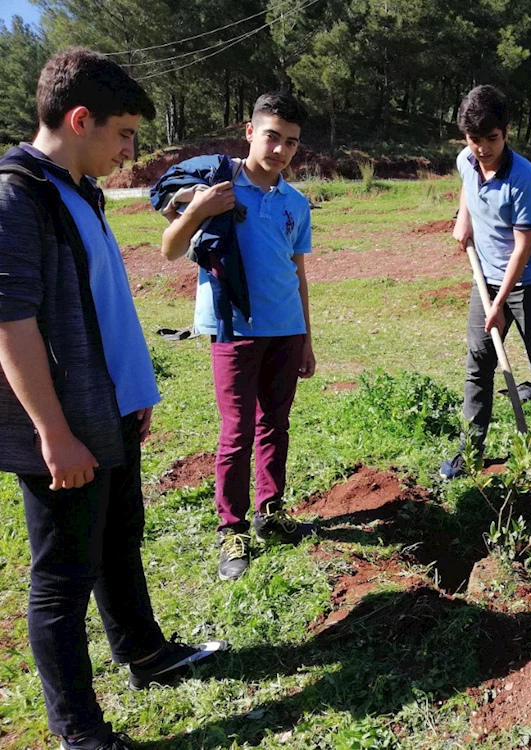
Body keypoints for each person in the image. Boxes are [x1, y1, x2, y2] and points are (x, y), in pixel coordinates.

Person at [0, 48, 227, 750]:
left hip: (110, 411)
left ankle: (145, 653)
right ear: (79, 118)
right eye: (123, 133)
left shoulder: (78, 188)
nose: (131, 149)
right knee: (61, 579)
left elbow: (100, 304)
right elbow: (11, 323)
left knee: (119, 540)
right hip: (65, 428)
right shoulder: (18, 197)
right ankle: (80, 735)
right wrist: (53, 433)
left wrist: (134, 392)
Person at [158, 93, 315, 581]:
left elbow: (298, 271)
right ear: (250, 132)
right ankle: (233, 529)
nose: (280, 149)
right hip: (235, 329)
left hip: (286, 329)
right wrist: (198, 210)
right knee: (236, 432)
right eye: (272, 136)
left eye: (290, 142)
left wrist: (307, 336)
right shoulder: (215, 188)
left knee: (276, 424)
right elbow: (169, 249)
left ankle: (271, 512)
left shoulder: (296, 202)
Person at [440, 84, 531, 483]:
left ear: (506, 132)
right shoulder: (466, 160)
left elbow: (523, 248)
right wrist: (463, 218)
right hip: (484, 278)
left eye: (492, 139)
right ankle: (472, 448)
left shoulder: (525, 180)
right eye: (474, 140)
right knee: (478, 366)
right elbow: (468, 185)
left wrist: (500, 303)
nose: (483, 148)